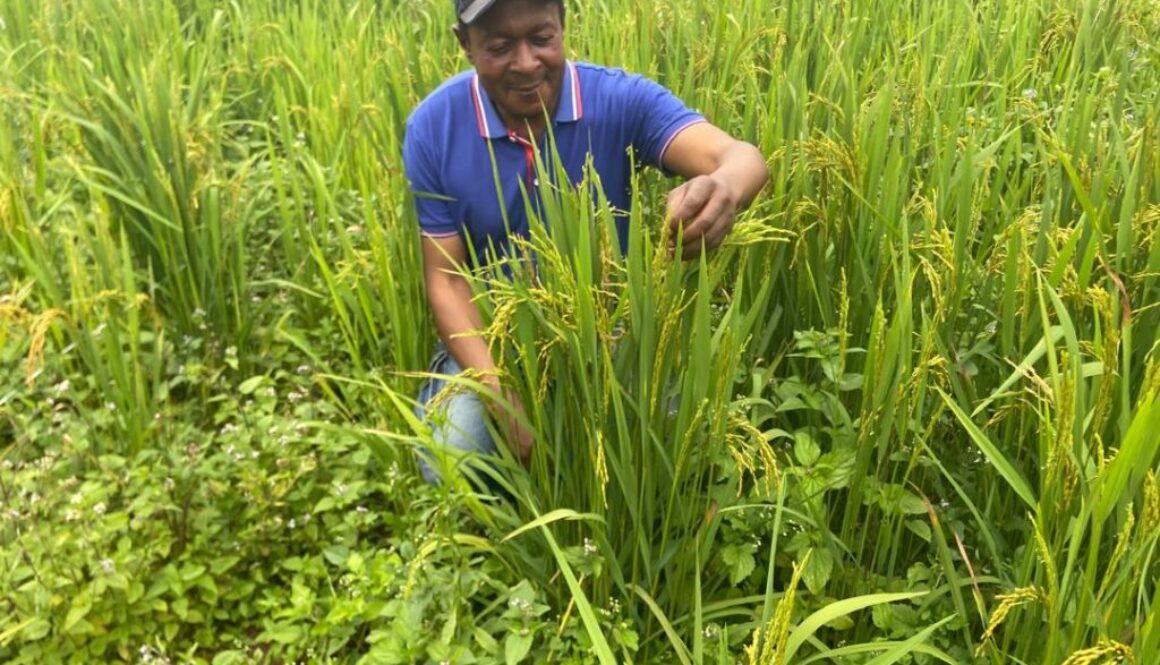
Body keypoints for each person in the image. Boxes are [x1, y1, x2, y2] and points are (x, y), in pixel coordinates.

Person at [403, 0, 769, 485]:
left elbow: (741, 157)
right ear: (465, 45)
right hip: (495, 334)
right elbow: (446, 281)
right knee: (452, 460)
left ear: (562, 27)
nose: (527, 63)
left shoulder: (619, 100)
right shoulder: (434, 127)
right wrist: (499, 393)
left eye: (541, 38)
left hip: (608, 328)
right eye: (499, 46)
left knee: (679, 449)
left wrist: (724, 188)